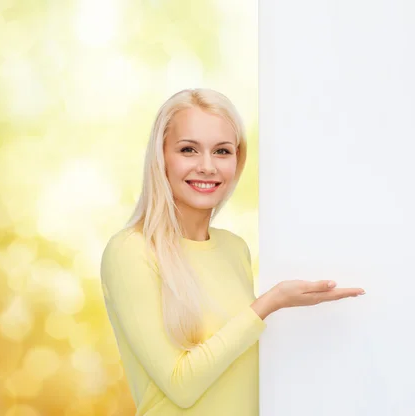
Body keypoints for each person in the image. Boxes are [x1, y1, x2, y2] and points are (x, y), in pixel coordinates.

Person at [100, 88, 365, 415]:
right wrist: (270, 303)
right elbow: (180, 385)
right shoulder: (130, 251)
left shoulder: (234, 249)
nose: (207, 166)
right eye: (189, 150)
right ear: (161, 156)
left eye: (222, 151)